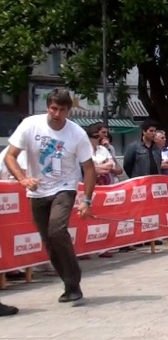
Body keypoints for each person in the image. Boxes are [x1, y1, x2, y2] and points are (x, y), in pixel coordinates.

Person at [4, 88, 96, 304]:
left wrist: (87, 200)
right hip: (36, 190)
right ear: (47, 107)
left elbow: (89, 168)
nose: (56, 114)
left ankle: (74, 281)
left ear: (68, 111)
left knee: (57, 229)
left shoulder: (77, 134)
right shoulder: (30, 125)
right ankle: (69, 283)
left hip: (64, 187)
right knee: (49, 239)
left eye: (62, 110)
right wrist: (23, 179)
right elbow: (10, 156)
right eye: (53, 108)